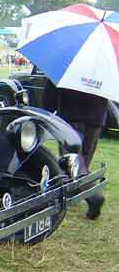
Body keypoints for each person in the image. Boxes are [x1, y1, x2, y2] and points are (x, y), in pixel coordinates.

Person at [41, 80, 107, 220]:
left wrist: (47, 110)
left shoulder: (68, 60)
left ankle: (95, 197)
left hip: (72, 115)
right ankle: (74, 194)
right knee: (84, 159)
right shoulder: (105, 62)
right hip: (96, 117)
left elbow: (53, 86)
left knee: (74, 162)